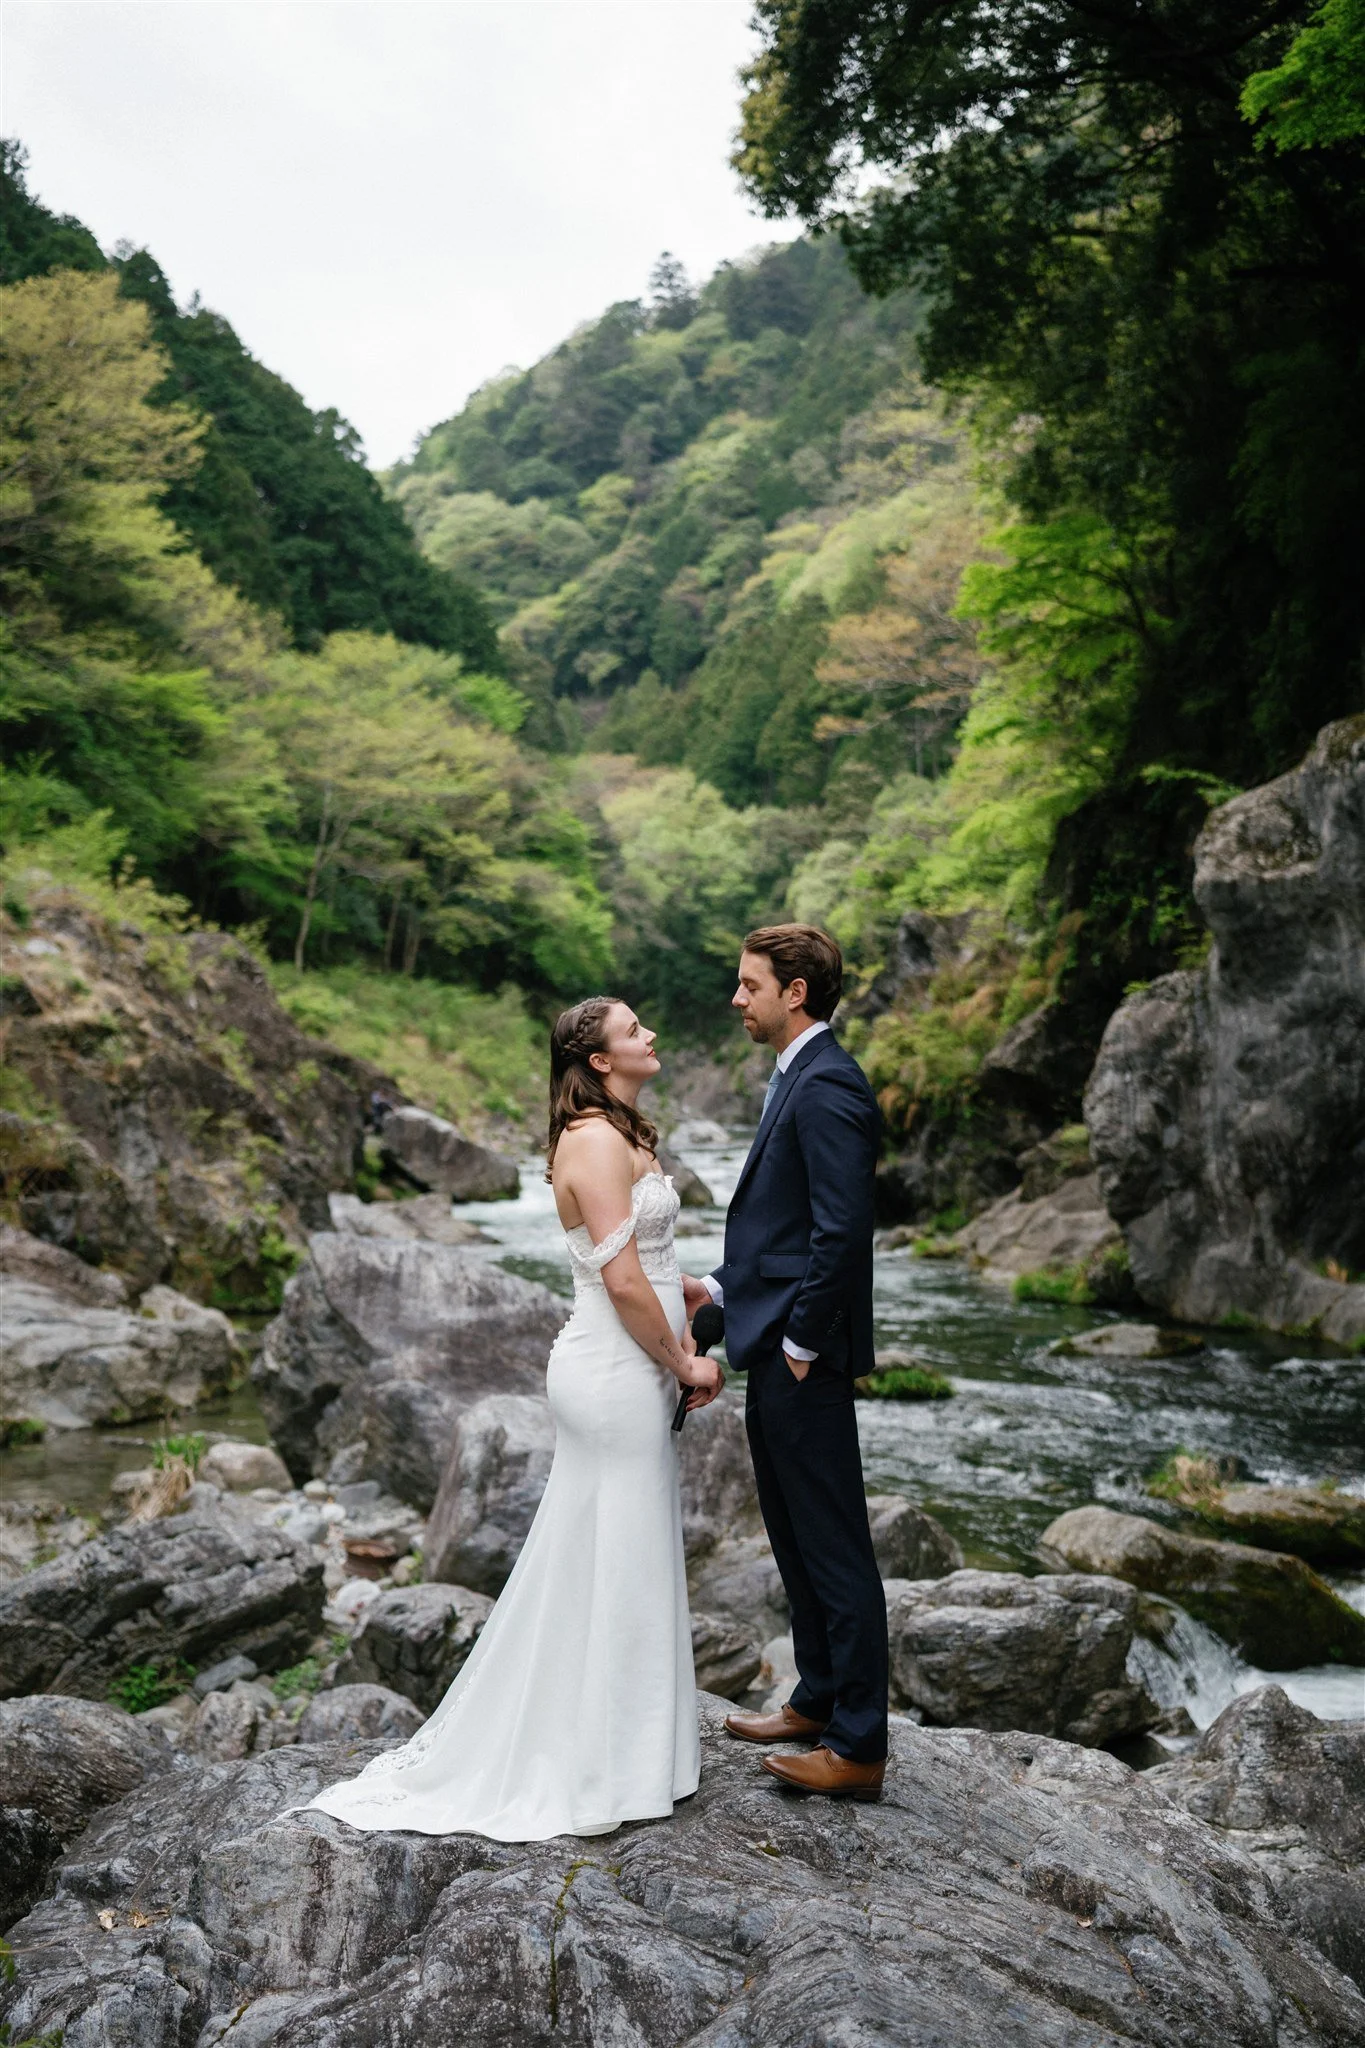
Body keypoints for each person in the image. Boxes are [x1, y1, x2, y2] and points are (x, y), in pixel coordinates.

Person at [301, 996, 722, 1842]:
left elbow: (643, 1263)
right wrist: (685, 1361)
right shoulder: (597, 1140)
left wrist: (691, 1290)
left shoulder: (626, 1129)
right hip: (612, 1372)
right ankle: (601, 1765)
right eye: (633, 1030)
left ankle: (636, 1751)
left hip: (628, 1364)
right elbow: (618, 1282)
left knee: (617, 1554)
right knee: (618, 1554)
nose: (650, 1035)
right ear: (598, 1060)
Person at [682, 924, 888, 1800]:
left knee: (833, 1543)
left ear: (793, 992)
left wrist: (802, 1341)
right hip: (772, 1343)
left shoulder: (829, 1083)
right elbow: (783, 1232)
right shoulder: (796, 1077)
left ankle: (857, 1746)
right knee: (795, 1537)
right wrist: (723, 1295)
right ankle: (815, 1698)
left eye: (748, 984)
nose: (737, 998)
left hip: (804, 1354)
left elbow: (842, 1233)